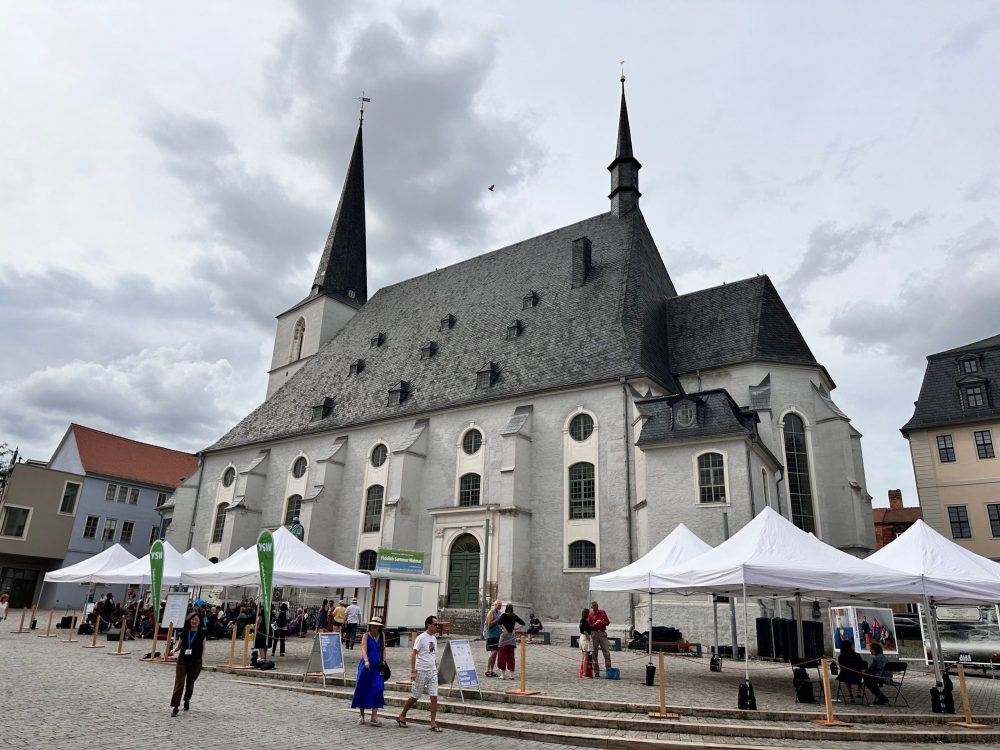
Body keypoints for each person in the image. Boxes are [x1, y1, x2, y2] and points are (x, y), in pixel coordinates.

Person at [396, 615, 441, 732]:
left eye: (437, 624)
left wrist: (435, 667)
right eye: (435, 624)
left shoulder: (434, 639)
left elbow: (432, 655)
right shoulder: (421, 638)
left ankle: (433, 722)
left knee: (434, 696)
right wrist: (413, 671)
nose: (437, 626)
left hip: (432, 671)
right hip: (421, 670)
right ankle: (402, 715)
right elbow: (413, 655)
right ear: (428, 625)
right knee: (415, 696)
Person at [169, 611, 207, 716]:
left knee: (190, 684)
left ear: (199, 621)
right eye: (192, 619)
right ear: (189, 620)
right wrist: (174, 650)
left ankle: (187, 700)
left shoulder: (202, 634)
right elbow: (179, 645)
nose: (194, 621)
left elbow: (203, 647)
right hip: (182, 660)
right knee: (179, 683)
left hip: (195, 661)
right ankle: (175, 707)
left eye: (196, 619)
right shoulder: (184, 632)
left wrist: (201, 659)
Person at [352, 616, 386, 725]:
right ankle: (361, 715)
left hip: (377, 667)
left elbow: (384, 649)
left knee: (378, 688)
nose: (374, 627)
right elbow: (363, 648)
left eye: (376, 625)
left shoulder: (382, 636)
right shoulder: (366, 635)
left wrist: (384, 660)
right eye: (373, 625)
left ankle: (374, 716)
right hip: (367, 666)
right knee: (363, 687)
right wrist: (366, 660)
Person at [497, 603, 525, 680]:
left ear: (506, 608)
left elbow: (499, 623)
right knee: (511, 656)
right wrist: (514, 630)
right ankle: (511, 675)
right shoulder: (514, 616)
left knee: (502, 656)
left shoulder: (504, 615)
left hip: (504, 637)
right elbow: (523, 623)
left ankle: (502, 675)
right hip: (511, 638)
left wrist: (503, 628)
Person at [587, 600, 612, 677]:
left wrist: (603, 622)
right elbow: (589, 626)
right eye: (592, 607)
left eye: (595, 606)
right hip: (594, 633)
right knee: (594, 653)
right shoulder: (590, 615)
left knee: (606, 652)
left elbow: (608, 622)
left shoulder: (602, 612)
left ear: (597, 606)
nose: (594, 608)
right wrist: (595, 624)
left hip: (602, 633)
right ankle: (596, 671)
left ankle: (609, 669)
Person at [484, 599, 503, 677]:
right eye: (498, 605)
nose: (499, 606)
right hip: (491, 635)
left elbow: (499, 624)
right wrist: (498, 619)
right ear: (494, 605)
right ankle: (487, 670)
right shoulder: (491, 612)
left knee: (495, 654)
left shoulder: (499, 613)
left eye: (500, 605)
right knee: (493, 653)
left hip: (497, 635)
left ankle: (492, 670)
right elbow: (490, 625)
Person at [578, 608, 593, 678]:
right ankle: (584, 673)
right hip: (585, 638)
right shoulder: (585, 621)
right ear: (587, 614)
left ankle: (583, 670)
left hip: (581, 638)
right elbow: (585, 632)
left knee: (584, 656)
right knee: (586, 657)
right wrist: (589, 639)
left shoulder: (581, 620)